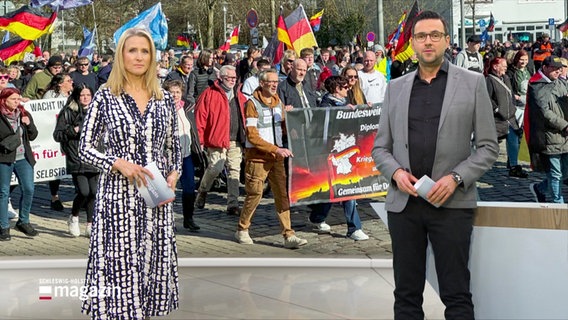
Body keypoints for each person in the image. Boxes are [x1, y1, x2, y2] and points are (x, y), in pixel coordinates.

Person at [372, 11, 499, 319]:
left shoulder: (472, 83)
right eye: (421, 36)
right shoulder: (396, 87)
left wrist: (456, 177)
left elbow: (488, 147)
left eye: (434, 35)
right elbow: (380, 148)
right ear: (412, 43)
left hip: (452, 204)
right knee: (406, 294)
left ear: (446, 41)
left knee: (456, 294)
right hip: (405, 205)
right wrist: (396, 173)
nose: (427, 42)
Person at [78, 28, 181, 318]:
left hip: (155, 198)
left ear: (153, 56)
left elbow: (174, 144)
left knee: (151, 265)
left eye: (145, 51)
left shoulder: (163, 98)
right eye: (132, 50)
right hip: (118, 200)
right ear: (121, 55)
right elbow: (84, 148)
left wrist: (173, 173)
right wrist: (116, 162)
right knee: (120, 269)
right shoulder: (105, 96)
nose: (139, 57)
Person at [235, 68, 308, 249]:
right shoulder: (252, 103)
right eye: (271, 82)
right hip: (258, 158)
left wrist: (291, 120)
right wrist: (275, 149)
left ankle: (288, 234)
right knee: (255, 194)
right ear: (262, 83)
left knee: (282, 195)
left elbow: (284, 127)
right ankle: (242, 229)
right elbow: (252, 135)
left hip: (276, 158)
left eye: (276, 81)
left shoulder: (278, 102)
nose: (275, 85)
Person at [308, 75, 369, 240]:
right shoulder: (325, 105)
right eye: (345, 87)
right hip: (332, 153)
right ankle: (353, 228)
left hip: (347, 149)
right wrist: (341, 113)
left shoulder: (345, 104)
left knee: (344, 188)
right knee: (338, 188)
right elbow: (322, 126)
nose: (348, 89)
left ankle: (321, 218)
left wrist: (366, 111)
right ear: (336, 89)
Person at [194, 65, 246, 216]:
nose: (231, 80)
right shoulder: (209, 94)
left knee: (234, 171)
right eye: (228, 78)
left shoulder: (239, 95)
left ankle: (233, 204)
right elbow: (200, 118)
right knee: (215, 168)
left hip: (235, 139)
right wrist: (200, 140)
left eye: (234, 78)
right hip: (216, 140)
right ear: (220, 78)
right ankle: (203, 190)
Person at [53, 84, 98, 237]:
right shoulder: (68, 112)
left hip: (94, 156)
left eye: (88, 95)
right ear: (77, 96)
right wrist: (73, 130)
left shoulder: (97, 112)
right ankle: (74, 217)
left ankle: (90, 224)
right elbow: (57, 135)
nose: (85, 98)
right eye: (82, 95)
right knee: (84, 191)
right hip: (76, 156)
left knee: (94, 192)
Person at [526, 56, 568, 203]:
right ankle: (559, 204)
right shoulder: (536, 85)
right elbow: (545, 113)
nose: (558, 71)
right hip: (548, 136)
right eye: (555, 68)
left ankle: (540, 188)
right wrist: (565, 125)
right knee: (555, 174)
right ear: (545, 67)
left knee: (565, 172)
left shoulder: (560, 82)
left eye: (559, 68)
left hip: (564, 136)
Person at [0, 88, 39, 241]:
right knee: (3, 192)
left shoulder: (23, 114)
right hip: (4, 158)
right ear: (4, 100)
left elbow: (34, 135)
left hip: (23, 157)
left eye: (18, 99)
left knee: (29, 188)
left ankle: (23, 221)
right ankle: (3, 226)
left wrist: (28, 125)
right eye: (13, 99)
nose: (17, 102)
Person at [163, 79, 201, 231]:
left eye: (177, 92)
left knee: (189, 188)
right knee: (169, 188)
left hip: (186, 155)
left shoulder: (186, 109)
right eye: (172, 92)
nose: (175, 95)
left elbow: (192, 130)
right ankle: (168, 220)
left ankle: (188, 218)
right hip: (170, 157)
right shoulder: (163, 110)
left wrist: (198, 147)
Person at [485, 57, 527, 178]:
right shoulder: (489, 80)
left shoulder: (506, 78)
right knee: (490, 144)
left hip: (510, 117)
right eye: (503, 65)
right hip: (497, 119)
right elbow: (487, 98)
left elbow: (511, 95)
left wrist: (513, 107)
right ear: (495, 66)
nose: (505, 67)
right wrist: (497, 109)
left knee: (514, 140)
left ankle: (513, 166)